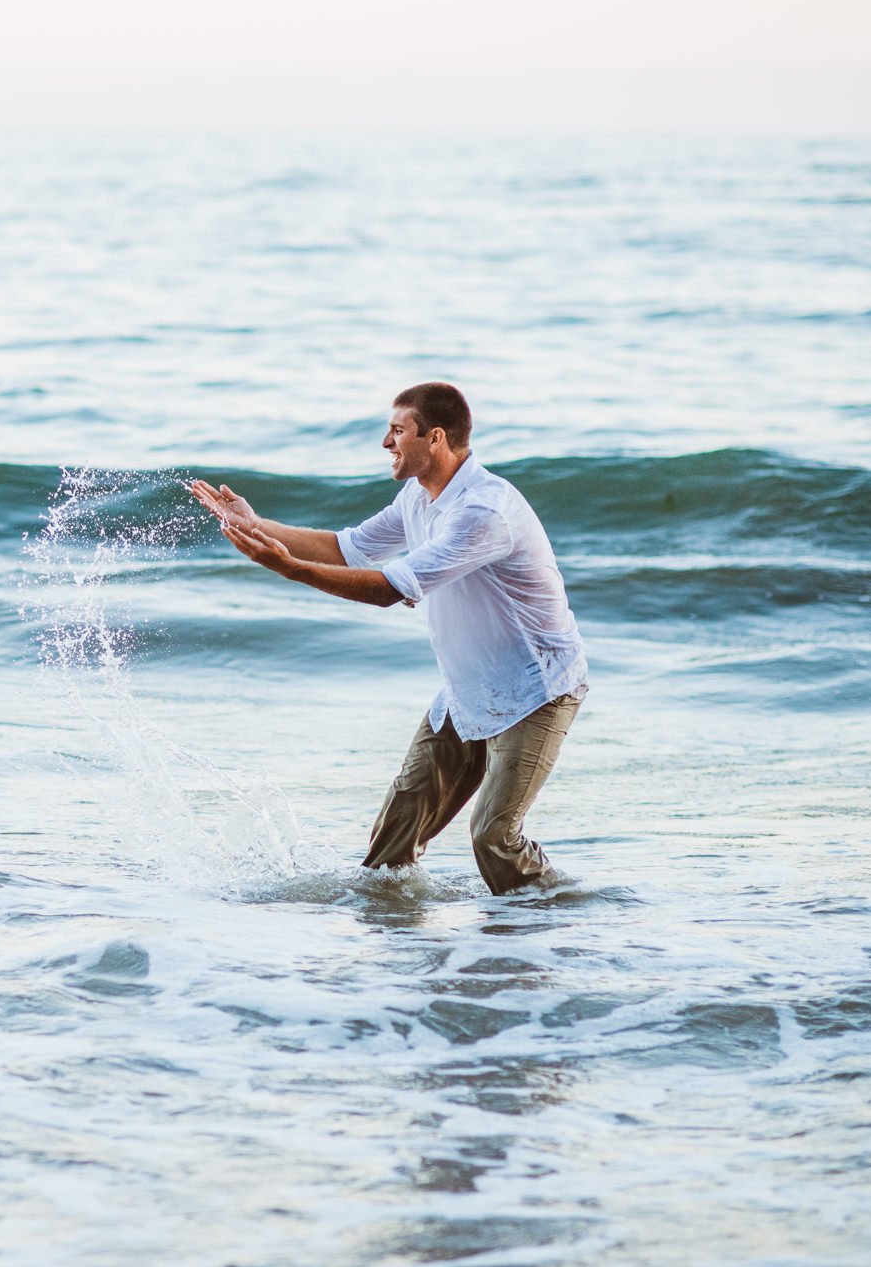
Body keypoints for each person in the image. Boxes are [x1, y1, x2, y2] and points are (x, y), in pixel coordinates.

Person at [190, 383, 588, 894]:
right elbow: (347, 548)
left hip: (536, 690)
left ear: (435, 437)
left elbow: (388, 590)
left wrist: (289, 570)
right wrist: (257, 524)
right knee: (389, 848)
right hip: (466, 690)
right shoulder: (420, 498)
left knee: (493, 837)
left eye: (398, 430)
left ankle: (562, 925)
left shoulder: (483, 512)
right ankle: (396, 955)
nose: (386, 442)